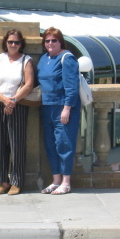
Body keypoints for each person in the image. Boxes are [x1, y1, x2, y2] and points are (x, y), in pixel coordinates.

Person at [0, 29, 34, 195]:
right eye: (10, 42)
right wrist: (4, 99)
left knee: (17, 144)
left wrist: (13, 101)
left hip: (18, 104)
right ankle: (2, 181)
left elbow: (29, 85)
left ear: (21, 44)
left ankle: (17, 181)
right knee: (0, 143)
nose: (13, 45)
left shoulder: (26, 60)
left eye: (16, 42)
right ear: (5, 43)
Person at [38, 27, 80, 195]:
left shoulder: (67, 58)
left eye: (53, 40)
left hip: (62, 107)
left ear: (60, 42)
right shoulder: (44, 59)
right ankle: (56, 180)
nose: (50, 43)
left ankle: (66, 181)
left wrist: (67, 109)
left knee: (64, 144)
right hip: (46, 106)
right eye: (47, 40)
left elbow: (72, 86)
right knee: (50, 145)